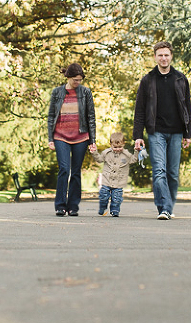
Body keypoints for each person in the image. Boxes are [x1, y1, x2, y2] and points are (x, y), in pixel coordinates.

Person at [133, 41, 191, 220]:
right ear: (155, 57)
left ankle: (168, 205)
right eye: (160, 55)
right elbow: (140, 109)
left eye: (166, 55)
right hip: (156, 131)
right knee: (159, 170)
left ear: (171, 56)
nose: (163, 58)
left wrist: (187, 133)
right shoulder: (148, 79)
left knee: (172, 174)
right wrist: (138, 136)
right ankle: (164, 208)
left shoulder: (180, 79)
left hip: (176, 132)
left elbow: (187, 107)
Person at [47, 63, 97, 216]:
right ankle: (60, 205)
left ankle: (73, 206)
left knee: (75, 171)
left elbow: (91, 117)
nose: (78, 83)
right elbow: (51, 116)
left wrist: (92, 140)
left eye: (80, 80)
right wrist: (50, 138)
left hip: (80, 136)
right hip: (60, 136)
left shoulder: (85, 92)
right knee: (64, 169)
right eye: (75, 80)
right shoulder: (57, 92)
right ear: (68, 77)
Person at [90, 132, 138, 217]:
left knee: (117, 198)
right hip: (107, 180)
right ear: (110, 144)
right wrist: (94, 152)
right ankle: (103, 207)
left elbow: (133, 160)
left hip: (119, 182)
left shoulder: (126, 154)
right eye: (115, 147)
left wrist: (136, 151)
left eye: (120, 147)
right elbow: (99, 159)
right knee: (103, 196)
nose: (117, 149)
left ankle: (114, 210)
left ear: (123, 144)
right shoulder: (106, 153)